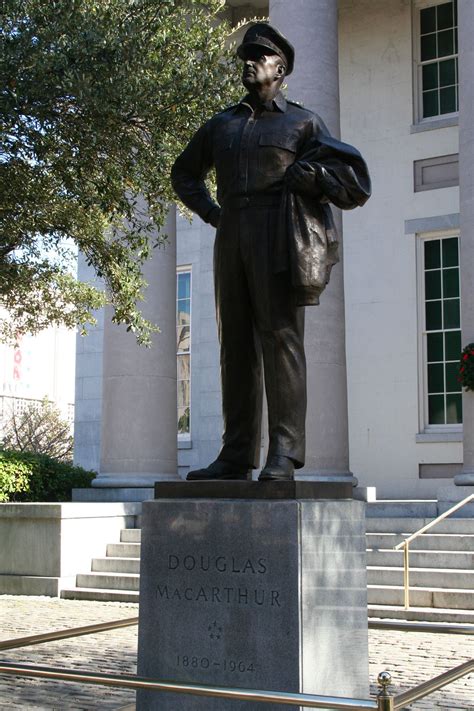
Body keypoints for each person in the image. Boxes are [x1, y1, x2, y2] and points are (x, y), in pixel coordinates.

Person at [171, 23, 370, 482]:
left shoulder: (302, 122)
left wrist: (314, 177)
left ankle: (284, 453)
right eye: (246, 55)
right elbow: (184, 175)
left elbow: (355, 181)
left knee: (281, 341)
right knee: (234, 347)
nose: (249, 62)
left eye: (258, 56)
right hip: (232, 234)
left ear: (280, 68)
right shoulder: (221, 124)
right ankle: (236, 454)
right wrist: (214, 214)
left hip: (279, 235)